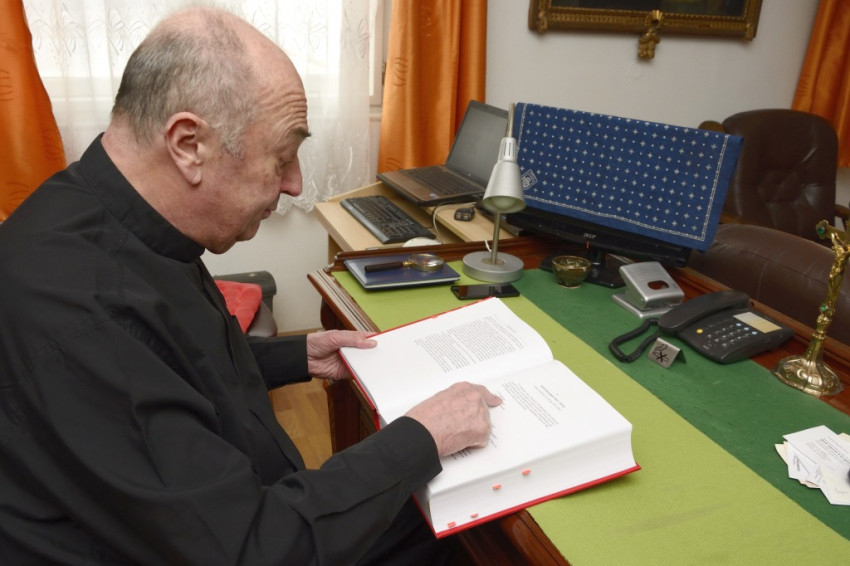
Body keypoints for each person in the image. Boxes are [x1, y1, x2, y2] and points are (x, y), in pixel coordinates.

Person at [0, 7, 501, 565]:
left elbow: (168, 360)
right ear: (188, 144)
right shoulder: (77, 311)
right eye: (281, 158)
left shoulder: (116, 215)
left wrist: (297, 355)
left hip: (235, 517)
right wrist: (422, 437)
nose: (295, 184)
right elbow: (248, 550)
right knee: (466, 535)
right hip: (245, 540)